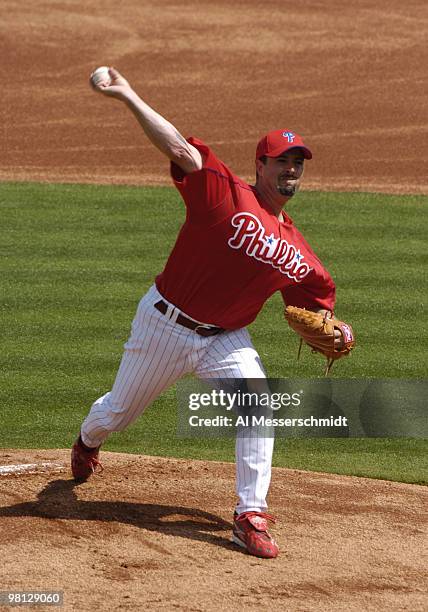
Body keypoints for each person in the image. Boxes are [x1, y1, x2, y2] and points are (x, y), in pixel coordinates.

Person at [71, 67, 343, 559]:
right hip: (164, 324)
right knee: (117, 412)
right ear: (260, 165)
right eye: (282, 161)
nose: (291, 170)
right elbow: (178, 148)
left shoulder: (298, 251)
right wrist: (129, 93)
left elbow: (318, 304)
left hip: (225, 339)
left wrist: (341, 331)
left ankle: (250, 516)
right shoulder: (225, 193)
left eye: (298, 163)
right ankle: (88, 441)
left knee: (258, 406)